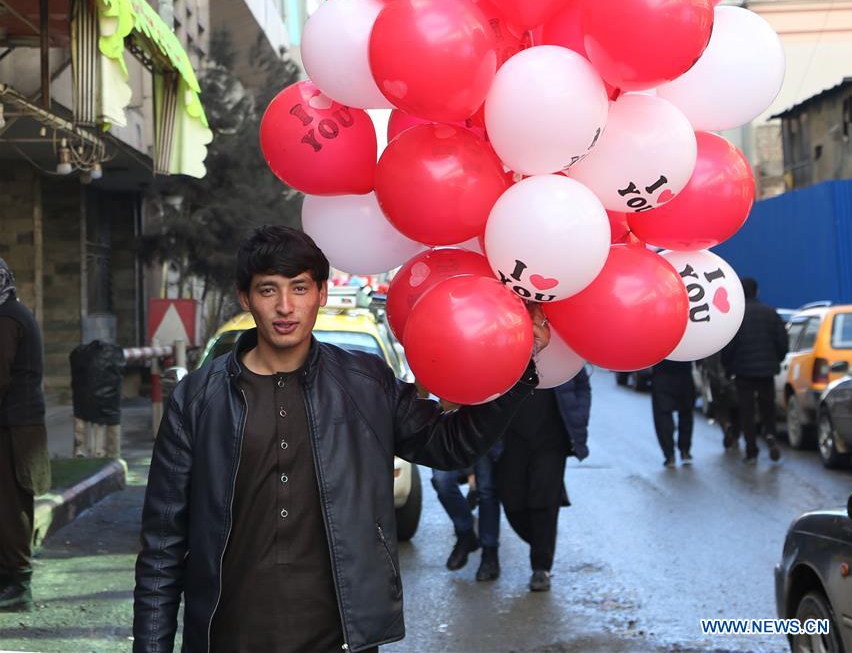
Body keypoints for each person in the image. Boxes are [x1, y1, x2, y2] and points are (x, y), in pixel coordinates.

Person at [133, 226, 546, 653]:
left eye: (299, 287)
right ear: (245, 298)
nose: (285, 306)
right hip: (227, 639)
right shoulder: (197, 399)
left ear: (322, 293)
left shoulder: (366, 384)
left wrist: (519, 369)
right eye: (268, 290)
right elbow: (162, 549)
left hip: (341, 640)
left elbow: (449, 445)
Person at [496, 326, 591, 594]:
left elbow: (582, 385)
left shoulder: (563, 349)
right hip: (511, 440)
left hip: (552, 440)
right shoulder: (505, 346)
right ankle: (539, 542)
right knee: (512, 501)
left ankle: (541, 568)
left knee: (544, 504)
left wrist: (579, 419)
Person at [0, 258, 51, 612]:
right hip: (20, 423)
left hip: (14, 427)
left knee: (10, 506)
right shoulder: (13, 312)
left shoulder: (6, 318)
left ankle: (19, 586)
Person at [721, 277, 788, 464]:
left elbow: (728, 346)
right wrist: (776, 359)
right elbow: (782, 341)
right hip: (767, 371)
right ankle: (771, 435)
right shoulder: (770, 312)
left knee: (747, 412)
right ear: (757, 291)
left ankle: (751, 450)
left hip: (743, 373)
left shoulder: (735, 317)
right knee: (768, 407)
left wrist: (728, 368)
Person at [431, 443, 502, 581]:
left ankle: (490, 552)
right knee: (442, 481)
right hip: (446, 430)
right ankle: (465, 533)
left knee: (486, 490)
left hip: (485, 431)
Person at [650, 358, 696, 468]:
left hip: (662, 375)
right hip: (684, 374)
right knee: (686, 413)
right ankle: (685, 451)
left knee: (663, 416)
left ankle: (669, 454)